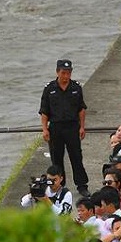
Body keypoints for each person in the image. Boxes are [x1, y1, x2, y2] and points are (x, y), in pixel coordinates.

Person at [40, 59, 89, 196]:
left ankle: (81, 185)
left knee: (76, 156)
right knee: (57, 158)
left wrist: (82, 127)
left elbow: (81, 109)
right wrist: (44, 129)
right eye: (63, 73)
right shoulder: (49, 89)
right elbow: (44, 111)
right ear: (57, 72)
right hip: (55, 127)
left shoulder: (76, 88)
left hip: (72, 127)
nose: (66, 76)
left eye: (68, 73)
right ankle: (60, 186)